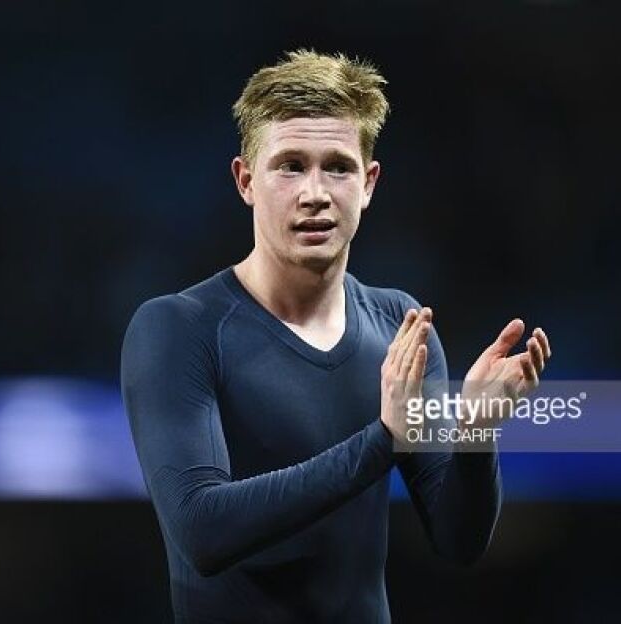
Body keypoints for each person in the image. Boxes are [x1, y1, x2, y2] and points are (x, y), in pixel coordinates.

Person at [121, 49, 551, 623]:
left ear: (368, 183)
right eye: (290, 165)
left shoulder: (400, 327)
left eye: (338, 167)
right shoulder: (178, 328)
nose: (315, 193)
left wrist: (475, 434)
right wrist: (383, 440)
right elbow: (203, 531)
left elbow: (458, 541)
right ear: (246, 181)